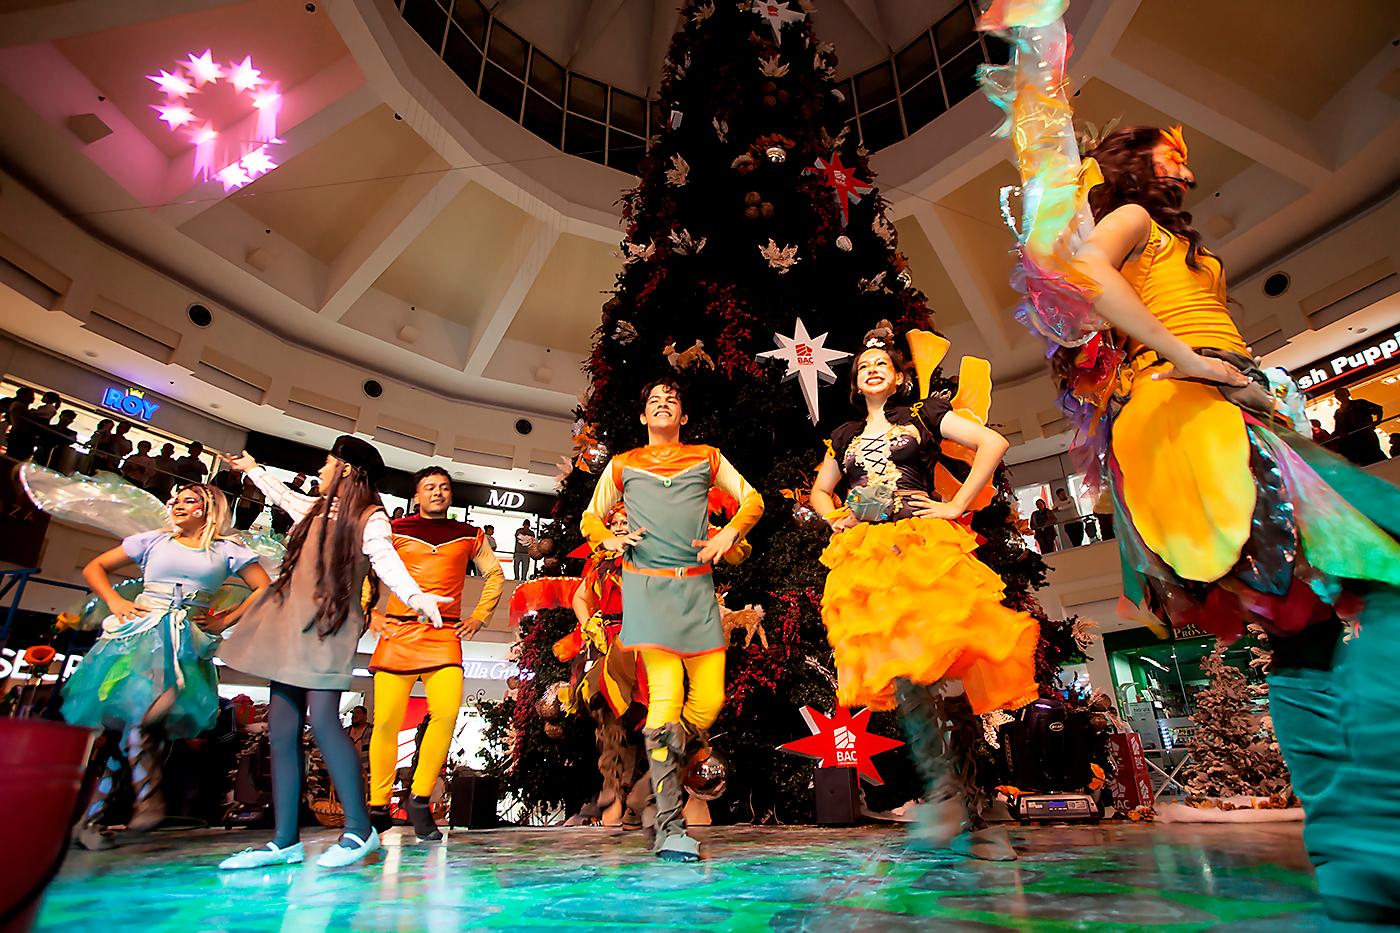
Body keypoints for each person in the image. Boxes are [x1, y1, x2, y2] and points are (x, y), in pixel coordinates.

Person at [1057, 125, 1400, 922]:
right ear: (1135, 163)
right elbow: (1082, 273)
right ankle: (1372, 851)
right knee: (1378, 573)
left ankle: (1362, 867)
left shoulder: (1171, 237)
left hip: (1219, 406)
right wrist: (1187, 355)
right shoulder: (1134, 220)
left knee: (1305, 627)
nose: (1188, 163)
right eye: (1171, 152)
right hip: (1187, 415)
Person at [810, 322, 1038, 861]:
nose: (871, 367)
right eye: (863, 364)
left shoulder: (923, 416)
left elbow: (993, 442)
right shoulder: (842, 436)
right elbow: (822, 490)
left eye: (881, 363)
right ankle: (945, 791)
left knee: (949, 673)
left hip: (925, 547)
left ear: (897, 376)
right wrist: (836, 518)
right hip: (870, 557)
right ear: (855, 380)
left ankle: (980, 809)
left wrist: (957, 504)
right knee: (909, 677)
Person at [215, 437, 448, 871]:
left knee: (323, 720)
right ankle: (284, 840)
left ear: (347, 470)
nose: (321, 472)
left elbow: (386, 562)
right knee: (282, 729)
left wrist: (418, 597)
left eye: (328, 464)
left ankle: (359, 830)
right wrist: (251, 467)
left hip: (328, 627)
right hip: (291, 623)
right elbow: (282, 496)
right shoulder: (317, 510)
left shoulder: (370, 519)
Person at [581, 378, 763, 861]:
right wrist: (609, 540)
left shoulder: (707, 456)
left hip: (697, 587)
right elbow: (590, 518)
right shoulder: (622, 464)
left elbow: (754, 499)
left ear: (683, 416)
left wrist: (729, 536)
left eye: (672, 400)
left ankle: (655, 768)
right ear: (643, 417)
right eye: (653, 401)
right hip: (647, 588)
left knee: (708, 702)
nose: (662, 405)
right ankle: (668, 824)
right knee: (665, 697)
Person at [62, 484, 270, 847]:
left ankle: (103, 816)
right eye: (175, 499)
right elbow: (95, 568)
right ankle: (135, 804)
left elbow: (264, 587)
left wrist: (226, 621)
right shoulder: (153, 540)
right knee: (136, 724)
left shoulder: (227, 548)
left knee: (146, 727)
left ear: (208, 510)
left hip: (186, 643)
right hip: (140, 638)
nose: (176, 505)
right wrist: (114, 601)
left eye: (189, 500)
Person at [366, 465, 504, 841]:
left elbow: (495, 574)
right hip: (398, 630)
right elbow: (365, 567)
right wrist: (370, 613)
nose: (437, 492)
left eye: (443, 487)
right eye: (430, 487)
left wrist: (479, 617)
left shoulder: (469, 534)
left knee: (445, 714)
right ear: (417, 495)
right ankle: (378, 804)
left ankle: (420, 799)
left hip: (443, 633)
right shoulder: (395, 530)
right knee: (386, 722)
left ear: (451, 495)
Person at [1332, 387, 1385, 466]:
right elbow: (1338, 428)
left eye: (1343, 393)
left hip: (1366, 435)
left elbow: (1378, 409)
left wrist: (1377, 422)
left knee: (1375, 454)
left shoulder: (1359, 403)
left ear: (1348, 394)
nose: (1341, 396)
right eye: (1339, 394)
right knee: (1362, 459)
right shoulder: (1338, 412)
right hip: (1352, 440)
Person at [3, 387, 37, 459]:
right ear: (23, 396)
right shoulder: (18, 405)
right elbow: (27, 420)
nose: (33, 398)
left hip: (21, 437)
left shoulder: (21, 406)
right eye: (30, 395)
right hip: (19, 437)